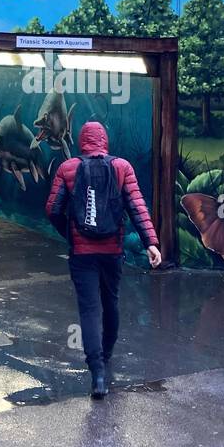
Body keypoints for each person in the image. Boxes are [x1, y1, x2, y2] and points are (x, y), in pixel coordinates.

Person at [45, 121, 162, 399]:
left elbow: (53, 209)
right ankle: (106, 355)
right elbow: (137, 207)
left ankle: (97, 373)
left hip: (82, 254)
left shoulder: (68, 168)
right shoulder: (122, 167)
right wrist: (151, 243)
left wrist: (70, 234)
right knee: (111, 302)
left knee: (89, 310)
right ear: (104, 140)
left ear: (82, 141)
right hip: (112, 251)